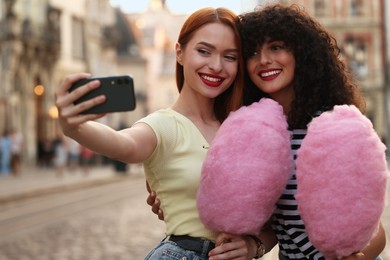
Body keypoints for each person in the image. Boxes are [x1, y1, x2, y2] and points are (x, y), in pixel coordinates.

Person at [148, 4, 387, 260]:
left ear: (301, 52)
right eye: (252, 52)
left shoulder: (333, 128)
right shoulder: (248, 133)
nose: (263, 60)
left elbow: (376, 231)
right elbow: (272, 222)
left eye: (276, 47)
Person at [55, 7, 261, 259]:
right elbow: (124, 144)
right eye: (203, 51)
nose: (216, 66)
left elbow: (272, 208)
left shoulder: (243, 124)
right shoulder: (164, 125)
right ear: (179, 53)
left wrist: (254, 245)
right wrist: (73, 127)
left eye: (230, 56)